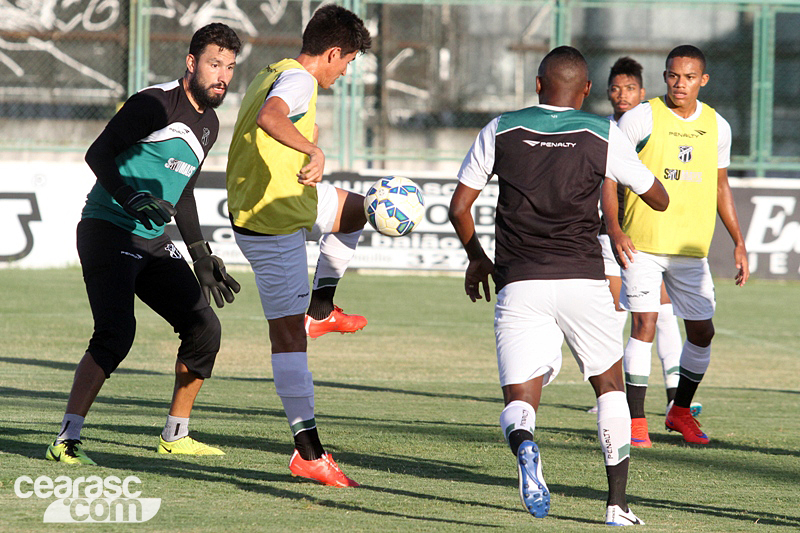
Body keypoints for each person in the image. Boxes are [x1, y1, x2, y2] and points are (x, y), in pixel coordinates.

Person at [449, 46, 668, 525]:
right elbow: (659, 197)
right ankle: (617, 505)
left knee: (519, 402)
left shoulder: (501, 128)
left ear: (537, 83)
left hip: (520, 282)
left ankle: (527, 447)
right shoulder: (602, 132)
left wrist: (477, 259)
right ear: (587, 90)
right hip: (584, 280)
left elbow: (459, 207)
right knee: (609, 386)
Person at [46, 23, 243, 465]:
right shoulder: (154, 103)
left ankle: (175, 434)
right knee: (116, 334)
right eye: (214, 64)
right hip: (107, 229)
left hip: (152, 241)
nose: (222, 76)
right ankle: (65, 438)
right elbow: (97, 153)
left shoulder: (209, 123)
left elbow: (185, 192)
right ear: (191, 63)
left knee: (204, 327)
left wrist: (200, 255)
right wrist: (131, 196)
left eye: (230, 67)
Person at [225, 5, 371, 487]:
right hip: (270, 223)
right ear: (332, 52)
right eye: (347, 62)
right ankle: (307, 452)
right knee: (287, 339)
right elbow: (271, 117)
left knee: (355, 209)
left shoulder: (274, 70)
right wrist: (313, 149)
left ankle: (322, 308)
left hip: (290, 199)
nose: (346, 71)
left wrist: (306, 149)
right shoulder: (300, 82)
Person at [603, 45, 749, 446]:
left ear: (703, 80)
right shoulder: (640, 118)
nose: (679, 84)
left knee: (702, 332)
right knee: (644, 325)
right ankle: (635, 421)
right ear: (665, 76)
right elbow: (609, 176)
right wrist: (615, 229)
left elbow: (720, 184)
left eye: (688, 77)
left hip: (690, 250)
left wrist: (739, 241)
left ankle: (679, 410)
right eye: (672, 76)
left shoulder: (718, 126)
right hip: (642, 245)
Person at [597, 57, 697, 448]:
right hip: (611, 233)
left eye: (630, 88)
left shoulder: (650, 124)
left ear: (642, 91)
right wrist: (612, 225)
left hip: (651, 236)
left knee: (664, 313)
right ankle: (613, 396)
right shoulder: (606, 129)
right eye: (616, 88)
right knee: (618, 315)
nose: (622, 95)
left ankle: (675, 394)